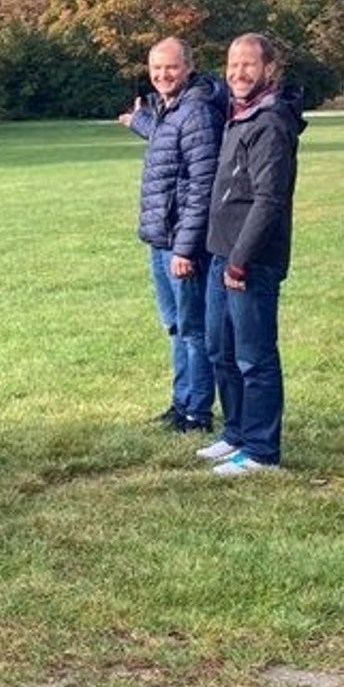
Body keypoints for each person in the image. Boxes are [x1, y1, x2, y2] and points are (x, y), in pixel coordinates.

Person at [197, 33, 306, 477]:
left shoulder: (272, 121)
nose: (238, 73)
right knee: (219, 348)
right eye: (232, 64)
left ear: (269, 70)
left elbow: (268, 200)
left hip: (250, 259)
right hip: (222, 252)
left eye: (248, 65)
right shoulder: (240, 114)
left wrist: (240, 260)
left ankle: (262, 451)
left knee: (254, 355)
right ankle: (237, 432)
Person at [117, 37, 227, 434]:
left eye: (171, 68)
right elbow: (167, 140)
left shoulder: (196, 110)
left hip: (183, 245)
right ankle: (181, 404)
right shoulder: (169, 109)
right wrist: (138, 121)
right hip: (160, 239)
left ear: (189, 67)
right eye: (156, 69)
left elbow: (203, 185)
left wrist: (186, 248)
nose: (162, 75)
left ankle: (197, 412)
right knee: (176, 326)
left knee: (194, 330)